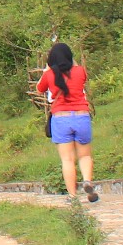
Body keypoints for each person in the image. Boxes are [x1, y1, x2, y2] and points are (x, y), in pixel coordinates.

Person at [36, 41, 98, 202]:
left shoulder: (49, 75)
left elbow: (39, 88)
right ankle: (87, 182)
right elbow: (77, 72)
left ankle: (72, 196)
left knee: (67, 159)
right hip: (81, 116)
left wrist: (48, 69)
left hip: (61, 118)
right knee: (84, 156)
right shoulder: (80, 71)